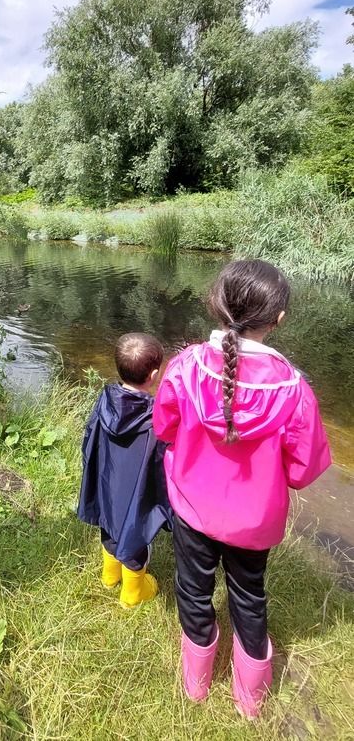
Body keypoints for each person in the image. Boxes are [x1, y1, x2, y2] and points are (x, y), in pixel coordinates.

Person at [154, 259, 332, 719]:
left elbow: (164, 427)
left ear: (217, 305)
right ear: (279, 319)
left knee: (193, 591)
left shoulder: (186, 365)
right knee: (249, 596)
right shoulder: (293, 388)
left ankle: (195, 686)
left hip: (192, 506)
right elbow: (304, 468)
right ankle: (250, 702)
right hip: (254, 520)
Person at [77, 332, 172, 608]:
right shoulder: (156, 417)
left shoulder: (105, 400)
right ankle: (133, 593)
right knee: (134, 537)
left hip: (106, 484)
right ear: (154, 375)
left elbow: (89, 441)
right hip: (136, 492)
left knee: (108, 526)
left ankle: (109, 576)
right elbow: (161, 463)